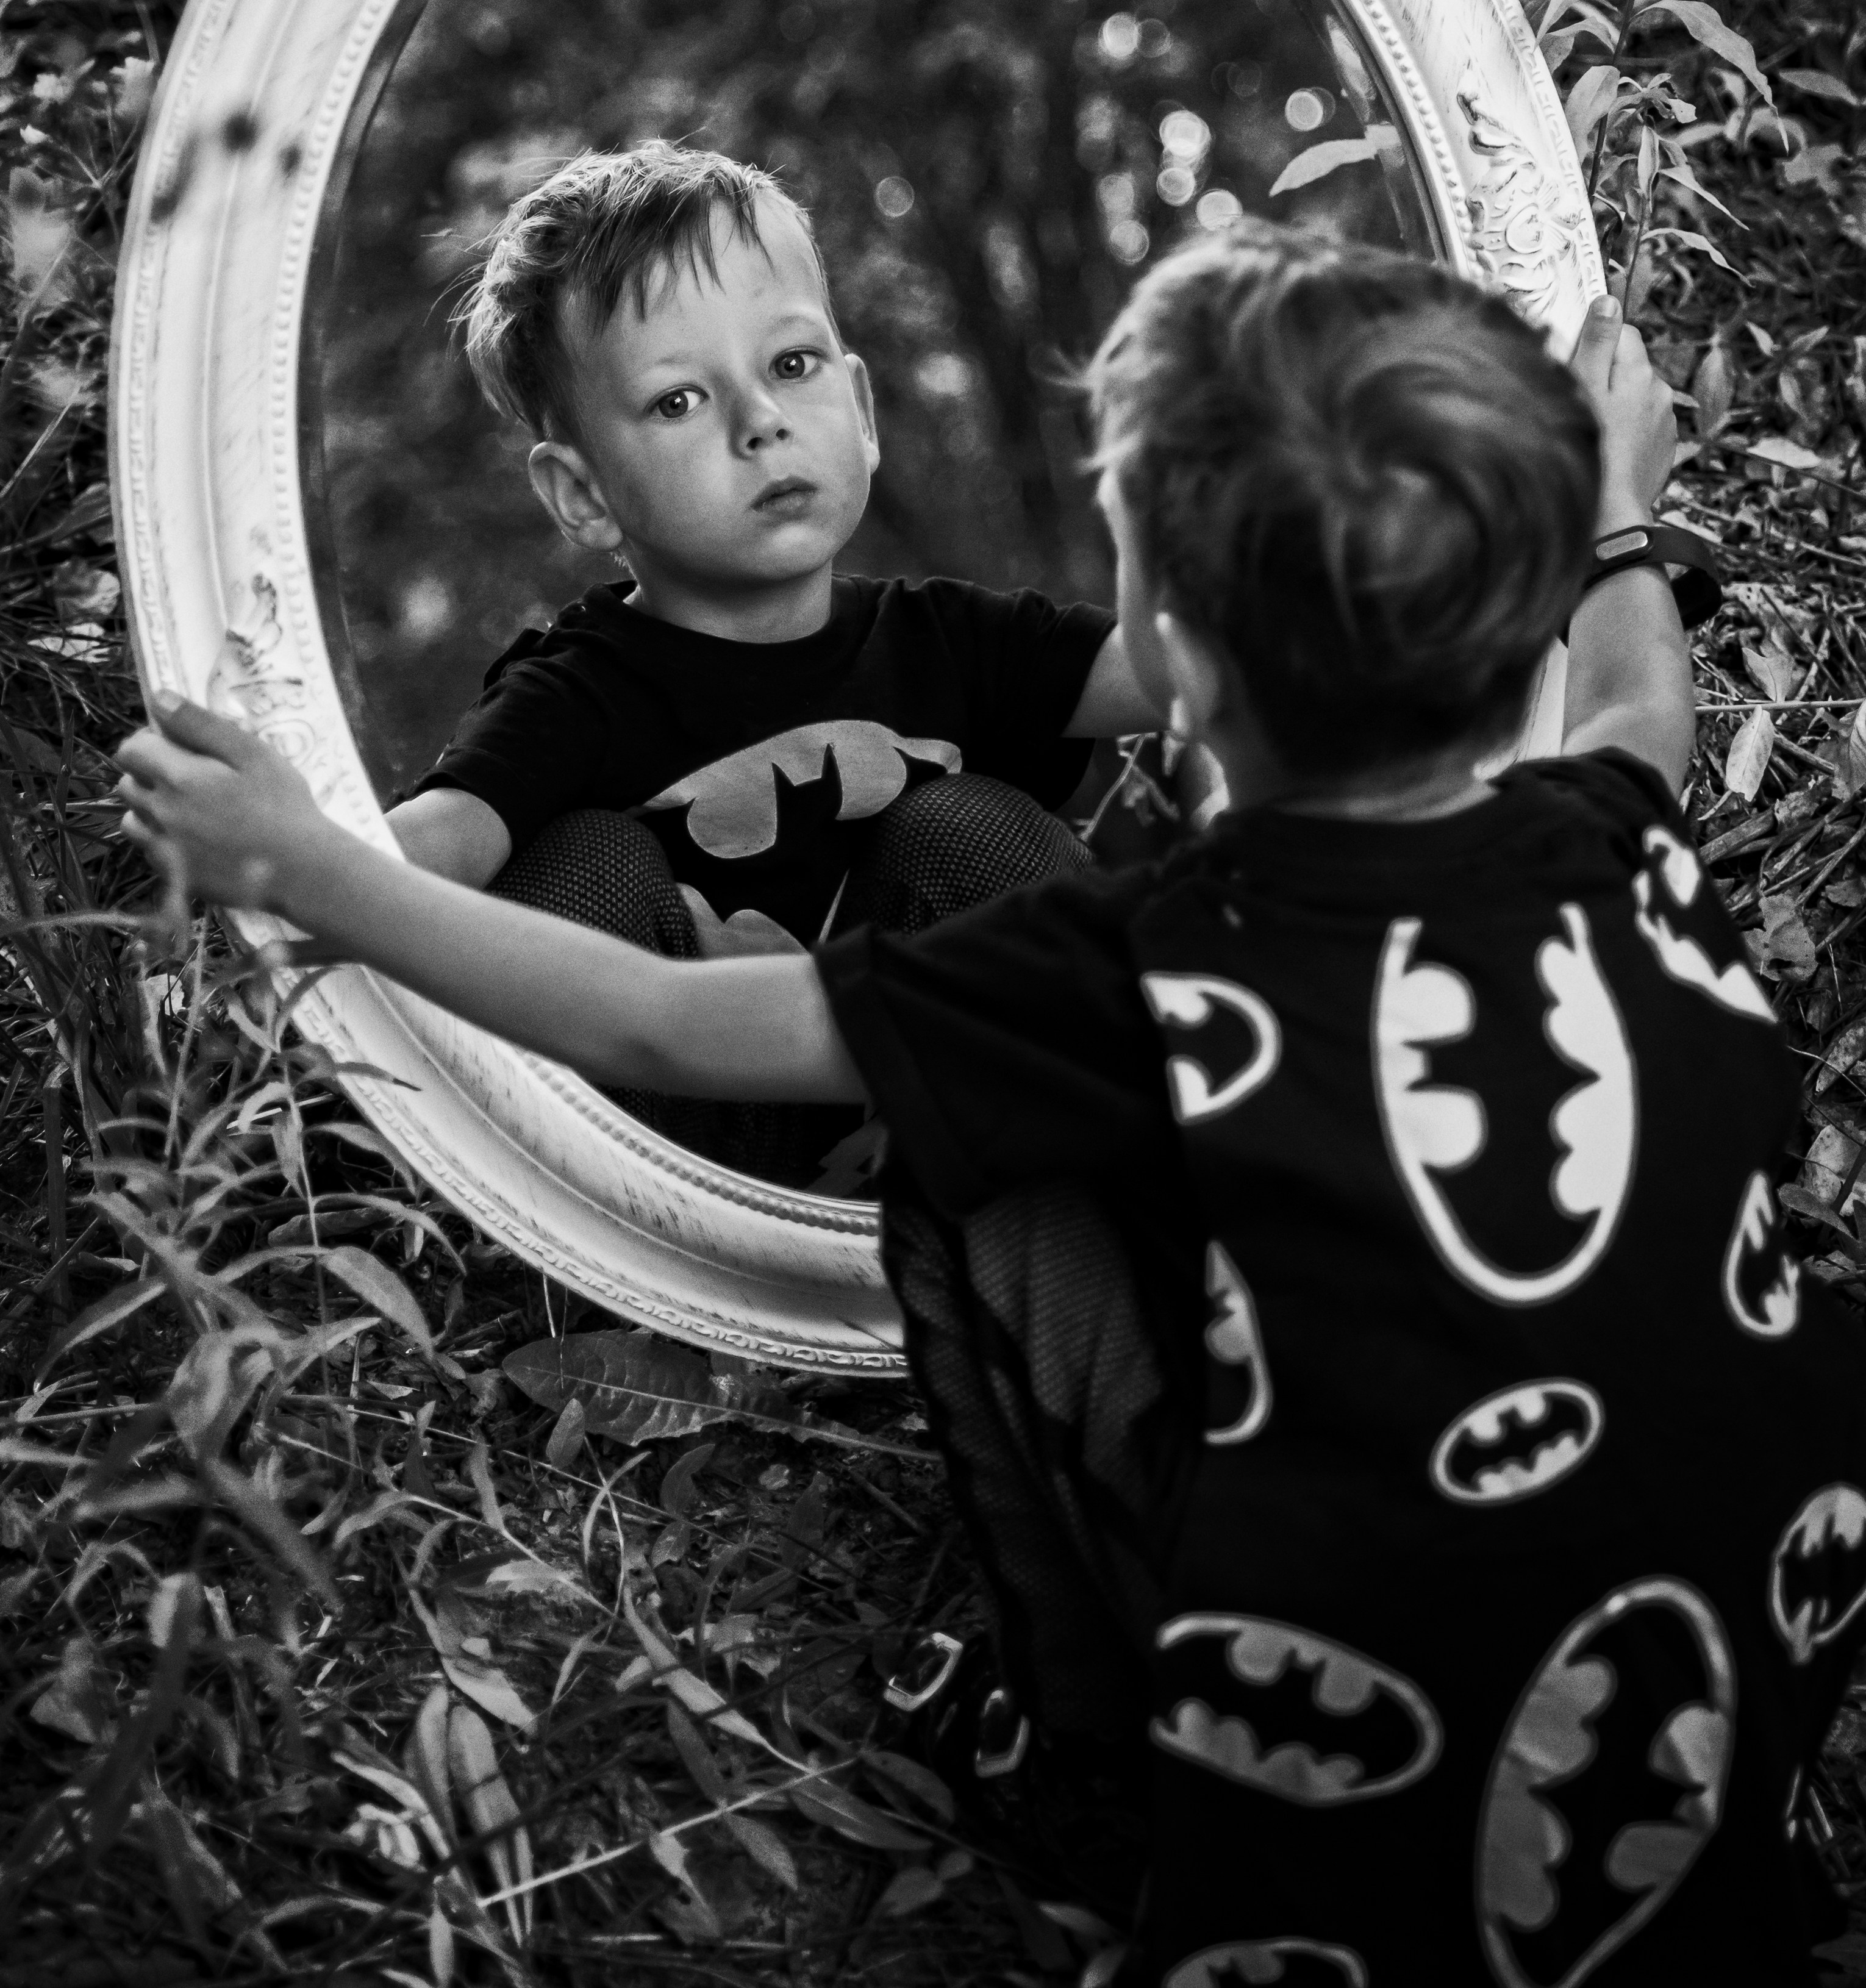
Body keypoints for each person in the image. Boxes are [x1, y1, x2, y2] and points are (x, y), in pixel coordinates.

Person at [116, 226, 1860, 1983]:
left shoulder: (1151, 958)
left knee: (1004, 1164)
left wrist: (304, 875)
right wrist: (1613, 515)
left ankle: (1100, 1748)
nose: (761, 420)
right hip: (1752, 1623)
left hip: (1376, 1723)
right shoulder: (1596, 826)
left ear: (1169, 642)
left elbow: (656, 1015)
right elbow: (1639, 702)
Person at [385, 140, 1156, 1175]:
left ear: (863, 412)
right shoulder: (577, 692)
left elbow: (1189, 667)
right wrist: (263, 869)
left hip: (939, 1144)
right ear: (584, 496)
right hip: (670, 1162)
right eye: (679, 400)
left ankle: (1104, 1192)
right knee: (580, 864)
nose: (761, 423)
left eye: (791, 366)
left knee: (971, 825)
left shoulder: (948, 641)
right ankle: (583, 1263)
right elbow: (415, 860)